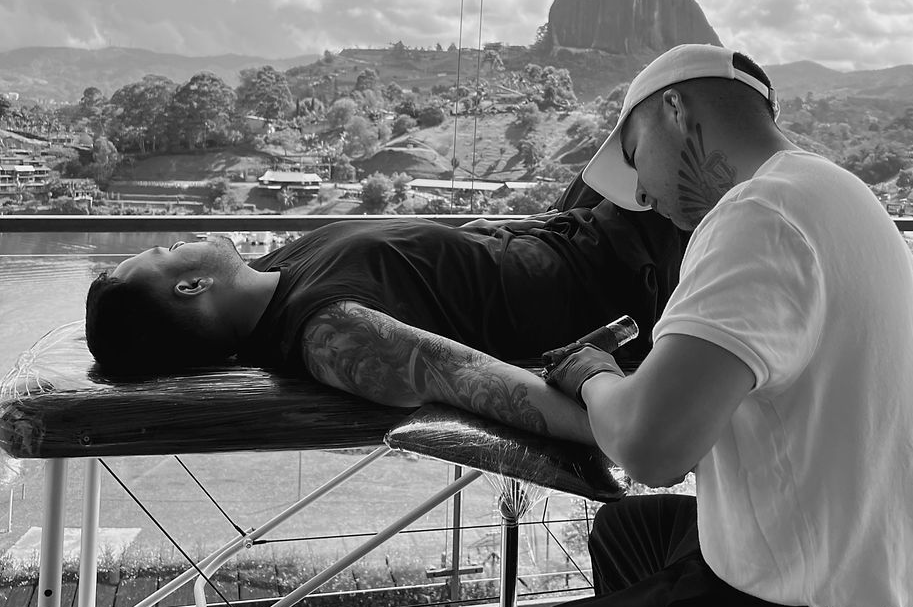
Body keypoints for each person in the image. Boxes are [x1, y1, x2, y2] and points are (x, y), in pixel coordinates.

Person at [399, 44, 913, 607]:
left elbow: (651, 448)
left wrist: (590, 372)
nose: (641, 194)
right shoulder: (835, 190)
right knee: (626, 532)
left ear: (673, 108)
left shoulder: (757, 212)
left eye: (636, 158)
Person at [85, 193, 686, 444]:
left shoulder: (268, 276)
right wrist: (629, 433)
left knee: (664, 106)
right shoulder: (330, 332)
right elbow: (474, 380)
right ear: (191, 286)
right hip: (629, 269)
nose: (181, 240)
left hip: (569, 227)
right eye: (166, 253)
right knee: (691, 95)